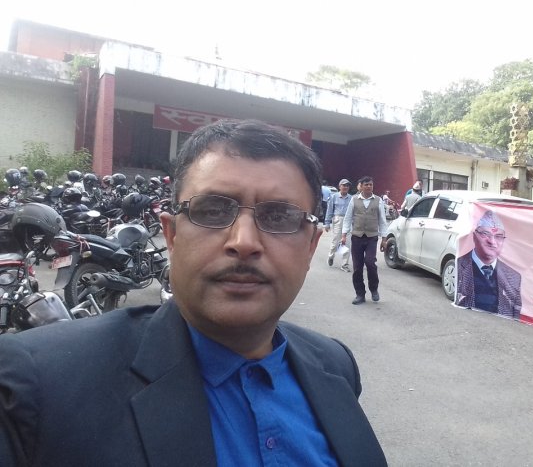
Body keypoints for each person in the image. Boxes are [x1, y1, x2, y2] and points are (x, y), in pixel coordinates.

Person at [0, 120, 387, 467]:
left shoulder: (335, 365)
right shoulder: (37, 387)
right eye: (213, 210)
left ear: (310, 246)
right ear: (171, 236)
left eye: (279, 216)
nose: (244, 242)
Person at [456, 209, 522, 318]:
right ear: (474, 236)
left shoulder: (514, 277)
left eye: (498, 236)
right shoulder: (458, 265)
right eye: (485, 234)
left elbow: (516, 313)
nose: (492, 241)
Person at [341, 176, 388, 305]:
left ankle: (374, 289)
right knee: (357, 267)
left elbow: (383, 221)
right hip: (356, 237)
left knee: (370, 263)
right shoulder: (354, 200)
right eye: (366, 184)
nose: (369, 186)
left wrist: (384, 239)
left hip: (372, 237)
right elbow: (348, 218)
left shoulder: (378, 200)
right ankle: (360, 294)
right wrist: (344, 235)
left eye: (370, 184)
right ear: (360, 186)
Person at [324, 178, 352, 272]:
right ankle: (331, 256)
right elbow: (329, 210)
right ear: (340, 186)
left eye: (347, 186)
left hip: (348, 221)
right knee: (335, 242)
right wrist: (327, 223)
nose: (345, 187)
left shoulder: (351, 198)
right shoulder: (334, 197)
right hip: (337, 220)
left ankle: (344, 264)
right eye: (344, 185)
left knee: (346, 243)